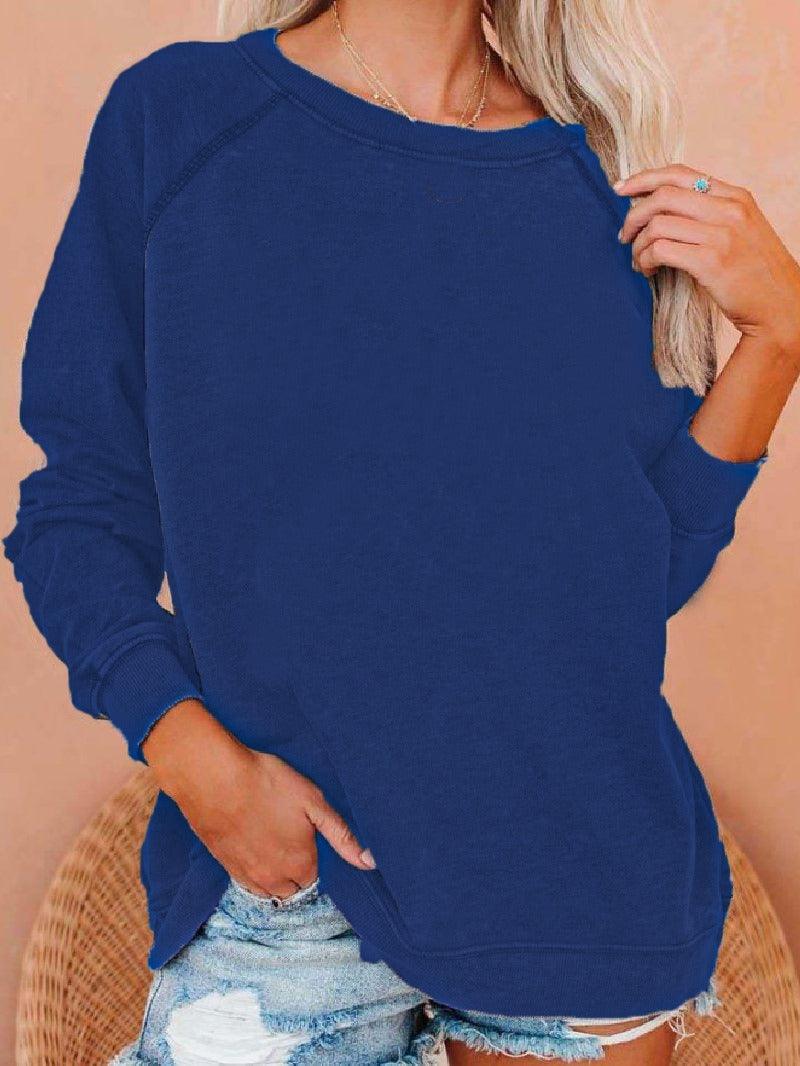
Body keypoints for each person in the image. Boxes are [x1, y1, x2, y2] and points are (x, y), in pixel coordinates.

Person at [6, 1, 800, 1062]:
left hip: (573, 877)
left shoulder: (593, 177)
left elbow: (624, 583)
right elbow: (79, 507)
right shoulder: (183, 120)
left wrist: (776, 342)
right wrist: (190, 752)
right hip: (288, 887)